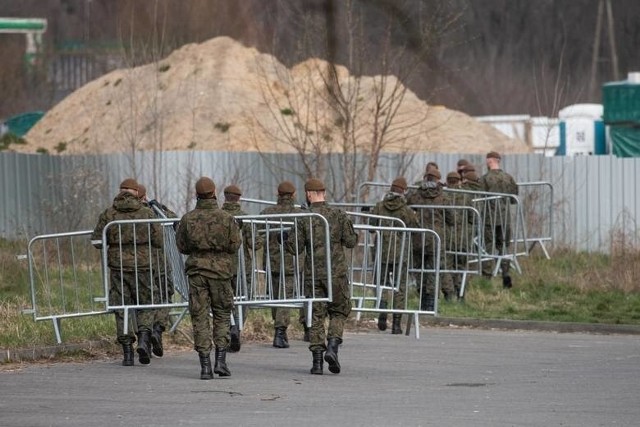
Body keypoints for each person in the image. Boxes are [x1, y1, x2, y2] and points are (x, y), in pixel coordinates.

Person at [284, 178, 357, 375]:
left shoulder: (304, 218)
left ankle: (317, 363)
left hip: (313, 274)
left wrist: (284, 238)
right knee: (339, 311)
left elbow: (294, 248)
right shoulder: (338, 214)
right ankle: (332, 346)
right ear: (324, 192)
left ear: (308, 194)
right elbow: (350, 241)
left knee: (316, 315)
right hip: (336, 273)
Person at [91, 178, 163, 366]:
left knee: (121, 307)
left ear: (120, 191)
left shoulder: (109, 214)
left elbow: (97, 241)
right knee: (147, 303)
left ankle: (127, 353)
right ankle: (144, 339)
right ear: (135, 191)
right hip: (144, 266)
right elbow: (158, 240)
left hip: (118, 268)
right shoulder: (147, 213)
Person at [176, 177, 241, 380]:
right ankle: (220, 361)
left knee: (200, 317)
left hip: (197, 273)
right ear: (214, 193)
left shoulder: (187, 219)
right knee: (222, 315)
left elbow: (182, 247)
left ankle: (205, 366)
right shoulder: (227, 218)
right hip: (221, 273)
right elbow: (234, 245)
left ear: (196, 195)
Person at [260, 181, 307, 348]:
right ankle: (280, 331)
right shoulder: (301, 214)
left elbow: (256, 235)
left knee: (275, 297)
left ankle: (279, 329)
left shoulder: (267, 213)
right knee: (285, 297)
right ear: (293, 195)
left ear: (277, 194)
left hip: (272, 262)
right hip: (292, 262)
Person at [370, 177, 420, 334]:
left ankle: (382, 315)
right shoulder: (406, 210)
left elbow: (371, 227)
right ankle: (397, 324)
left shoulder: (379, 206)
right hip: (401, 254)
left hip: (381, 252)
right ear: (403, 191)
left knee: (382, 284)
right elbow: (416, 227)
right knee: (400, 287)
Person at [138, 183, 178, 358]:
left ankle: (144, 338)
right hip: (159, 263)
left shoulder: (123, 214)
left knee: (143, 302)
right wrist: (159, 206)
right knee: (164, 297)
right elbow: (174, 220)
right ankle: (157, 330)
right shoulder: (154, 211)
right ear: (144, 197)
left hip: (138, 266)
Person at [221, 184, 262, 352]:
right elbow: (255, 243)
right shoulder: (246, 218)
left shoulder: (218, 217)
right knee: (244, 300)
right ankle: (236, 327)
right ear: (239, 198)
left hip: (221, 266)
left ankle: (227, 329)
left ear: (225, 197)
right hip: (242, 267)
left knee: (224, 302)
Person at [406, 169, 455, 309]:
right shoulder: (443, 198)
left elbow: (407, 207)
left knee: (419, 269)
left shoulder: (415, 196)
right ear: (437, 180)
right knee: (434, 270)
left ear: (425, 178)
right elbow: (451, 219)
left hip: (418, 238)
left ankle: (422, 297)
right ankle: (431, 302)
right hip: (436, 239)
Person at [479, 151, 519, 289]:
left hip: (489, 218)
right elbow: (514, 198)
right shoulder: (508, 178)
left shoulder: (485, 179)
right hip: (505, 218)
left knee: (488, 246)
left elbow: (479, 199)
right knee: (503, 246)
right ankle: (506, 274)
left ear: (490, 161)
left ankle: (487, 278)